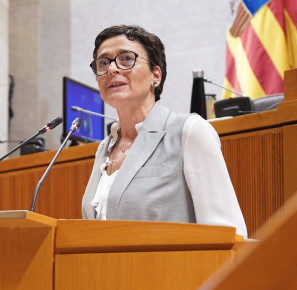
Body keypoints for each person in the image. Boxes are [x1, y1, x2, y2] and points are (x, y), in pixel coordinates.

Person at [81, 25, 248, 238]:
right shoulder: (104, 149)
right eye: (103, 63)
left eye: (126, 59)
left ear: (156, 75)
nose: (112, 69)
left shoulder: (189, 131)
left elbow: (228, 234)